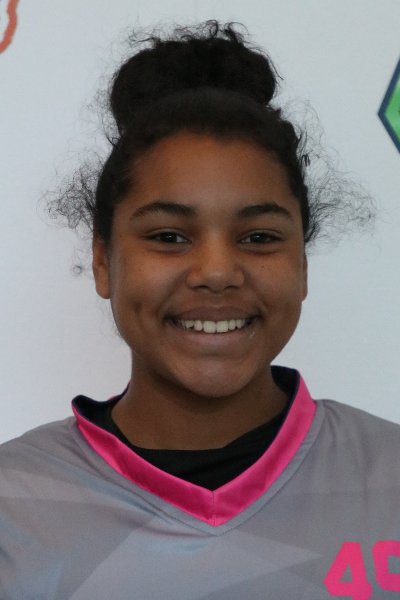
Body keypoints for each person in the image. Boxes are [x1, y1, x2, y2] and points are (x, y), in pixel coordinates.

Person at [1, 20, 399, 600]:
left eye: (259, 237)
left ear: (303, 265)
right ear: (103, 261)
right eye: (168, 236)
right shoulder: (14, 503)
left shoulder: (390, 477)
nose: (216, 272)